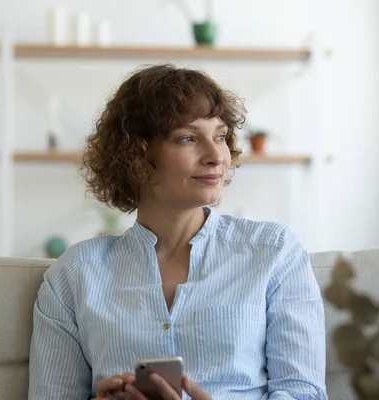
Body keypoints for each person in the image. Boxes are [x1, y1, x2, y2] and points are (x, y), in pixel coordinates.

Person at [28, 64, 327, 400]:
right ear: (137, 154)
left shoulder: (274, 251)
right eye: (188, 138)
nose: (216, 156)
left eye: (220, 136)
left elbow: (304, 393)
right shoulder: (74, 275)